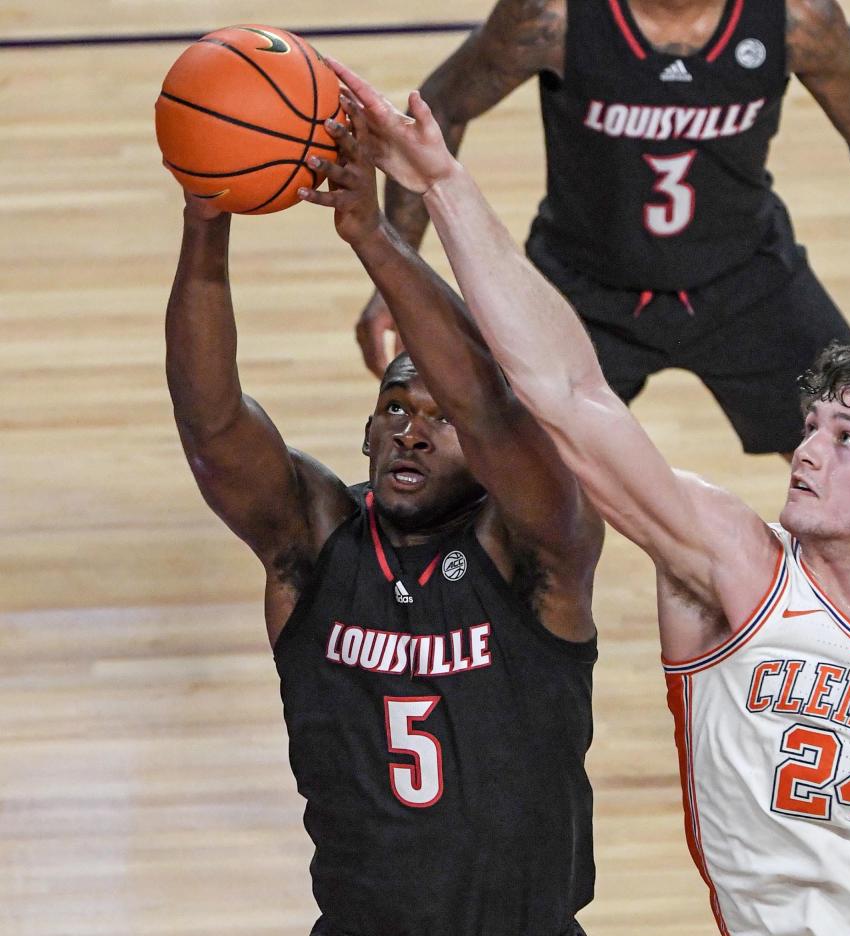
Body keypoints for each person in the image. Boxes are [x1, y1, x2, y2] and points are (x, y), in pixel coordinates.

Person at [324, 61, 850, 934]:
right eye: (813, 426)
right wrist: (443, 185)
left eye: (844, 439)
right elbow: (568, 392)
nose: (805, 448)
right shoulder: (732, 568)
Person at [165, 120, 604, 933]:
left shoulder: (537, 552)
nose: (410, 430)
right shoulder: (315, 544)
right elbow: (211, 427)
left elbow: (492, 404)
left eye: (439, 420)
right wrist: (206, 221)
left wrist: (371, 231)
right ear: (366, 436)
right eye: (394, 408)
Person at [354, 0, 850, 581]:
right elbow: (442, 106)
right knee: (480, 491)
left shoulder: (797, 19)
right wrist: (397, 270)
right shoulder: (551, 16)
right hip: (577, 296)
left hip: (748, 285)